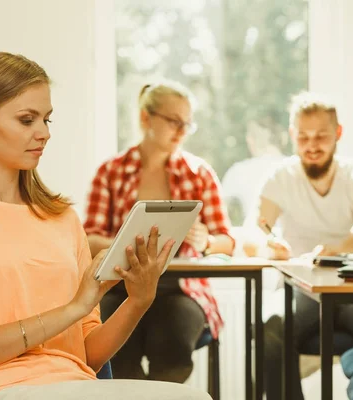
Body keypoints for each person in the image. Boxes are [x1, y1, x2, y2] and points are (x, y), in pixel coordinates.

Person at [0, 52, 211, 400]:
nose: (43, 134)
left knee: (193, 398)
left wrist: (138, 300)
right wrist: (72, 309)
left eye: (47, 120)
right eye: (27, 120)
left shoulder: (61, 217)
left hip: (74, 385)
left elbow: (88, 355)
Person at [254, 92, 353, 400]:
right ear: (291, 136)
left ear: (338, 134)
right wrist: (269, 242)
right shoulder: (280, 176)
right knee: (270, 326)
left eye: (321, 136)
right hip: (302, 289)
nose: (312, 145)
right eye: (303, 137)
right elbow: (258, 227)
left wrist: (340, 248)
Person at [83, 79, 235, 383]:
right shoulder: (111, 171)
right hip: (121, 284)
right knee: (111, 343)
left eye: (187, 124)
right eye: (173, 121)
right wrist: (124, 243)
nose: (181, 131)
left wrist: (206, 241)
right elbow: (88, 238)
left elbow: (227, 242)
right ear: (145, 118)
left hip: (181, 289)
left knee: (172, 340)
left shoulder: (199, 174)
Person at [221, 118, 285, 225]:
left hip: (256, 237)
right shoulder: (295, 166)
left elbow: (220, 209)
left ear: (250, 140)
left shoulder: (238, 171)